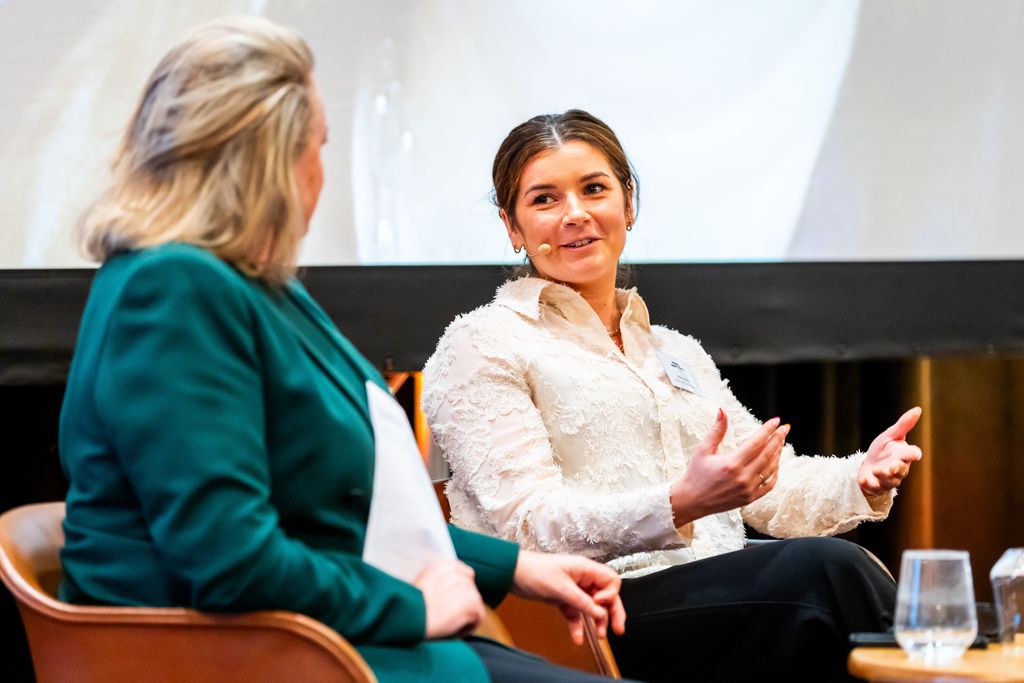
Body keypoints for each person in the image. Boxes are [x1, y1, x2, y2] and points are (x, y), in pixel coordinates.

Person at [57, 21, 633, 683]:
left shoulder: (249, 285)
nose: (321, 175)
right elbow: (229, 561)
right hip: (250, 655)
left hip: (328, 639)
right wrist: (412, 605)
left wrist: (518, 568)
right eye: (319, 147)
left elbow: (349, 517)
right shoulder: (176, 288)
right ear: (275, 159)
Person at [422, 109, 924, 682]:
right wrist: (679, 502)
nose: (575, 214)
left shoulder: (675, 349)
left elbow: (762, 487)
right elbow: (529, 528)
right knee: (826, 576)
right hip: (590, 611)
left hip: (711, 586)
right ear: (513, 228)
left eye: (594, 189)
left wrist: (859, 476)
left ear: (628, 205)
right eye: (544, 200)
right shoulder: (481, 344)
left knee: (838, 574)